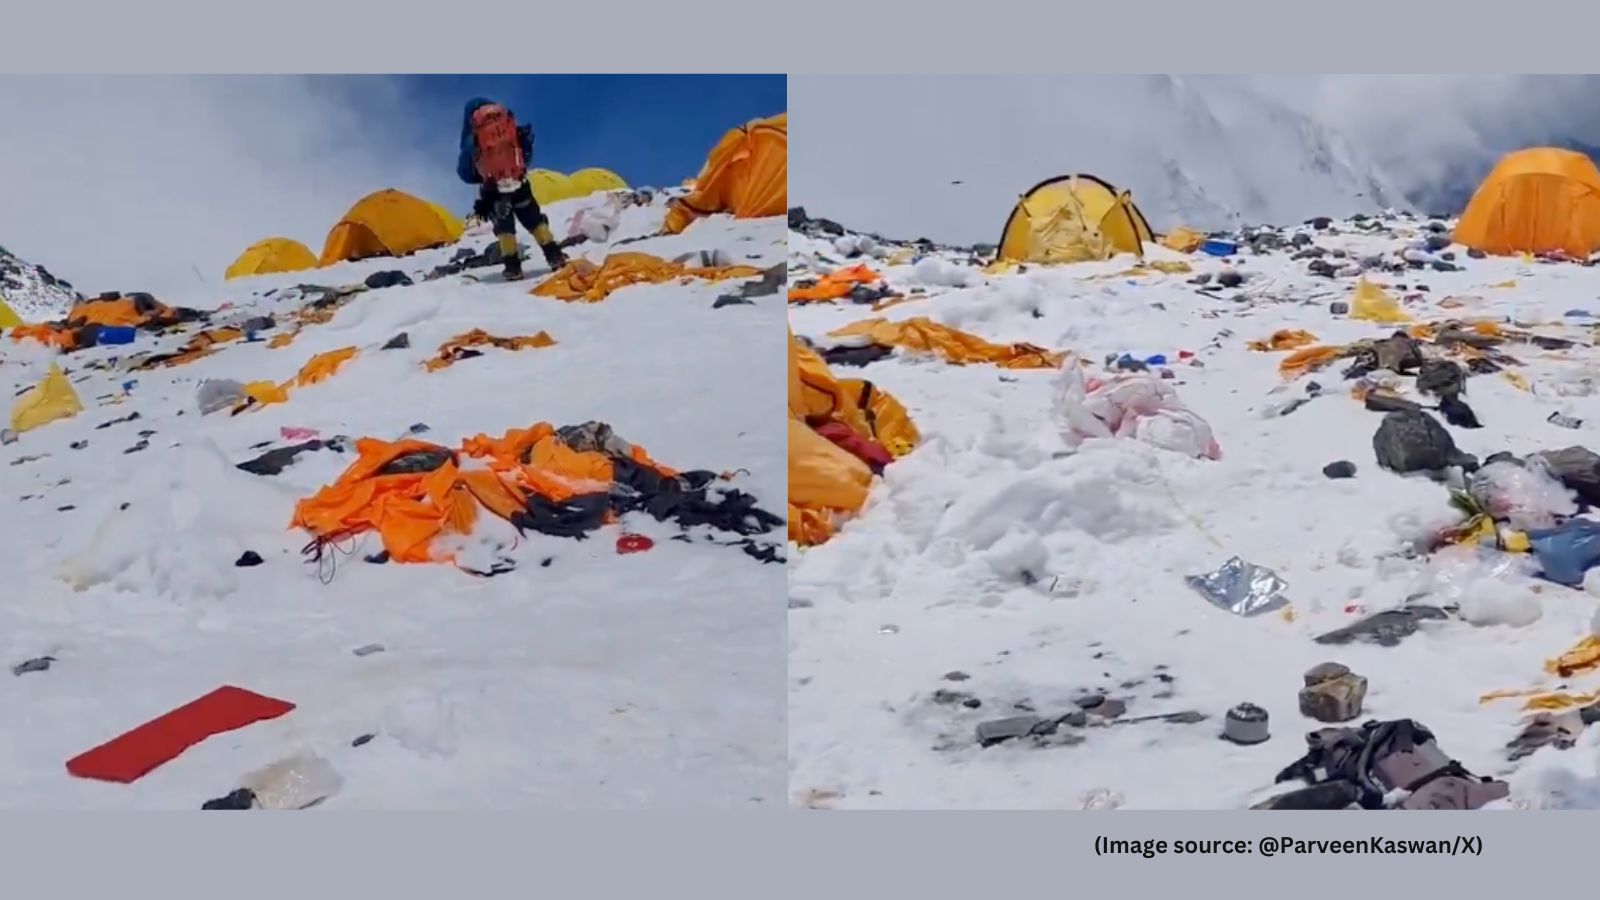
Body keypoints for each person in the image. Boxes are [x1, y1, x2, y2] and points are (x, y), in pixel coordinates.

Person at [456, 97, 568, 281]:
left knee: (505, 229)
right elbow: (526, 154)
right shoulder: (511, 127)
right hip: (518, 182)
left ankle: (513, 268)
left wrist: (483, 176)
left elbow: (464, 173)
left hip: (494, 190)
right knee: (535, 221)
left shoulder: (472, 140)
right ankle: (555, 256)